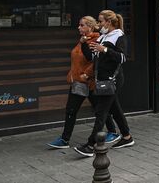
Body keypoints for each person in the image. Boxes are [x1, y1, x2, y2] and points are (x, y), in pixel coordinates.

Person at [49, 16, 120, 149]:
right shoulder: (83, 40)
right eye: (79, 25)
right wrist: (72, 73)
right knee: (72, 109)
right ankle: (65, 139)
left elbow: (96, 61)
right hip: (78, 82)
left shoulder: (96, 40)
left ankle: (112, 132)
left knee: (101, 110)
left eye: (82, 25)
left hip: (89, 83)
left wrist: (86, 75)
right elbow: (77, 59)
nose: (79, 27)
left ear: (90, 27)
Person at [74, 10, 134, 157]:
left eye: (100, 21)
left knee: (101, 112)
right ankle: (127, 137)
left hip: (112, 79)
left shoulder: (119, 36)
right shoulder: (103, 36)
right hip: (102, 79)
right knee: (115, 109)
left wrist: (105, 49)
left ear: (109, 22)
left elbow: (122, 58)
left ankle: (90, 145)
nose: (98, 24)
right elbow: (91, 57)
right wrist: (84, 44)